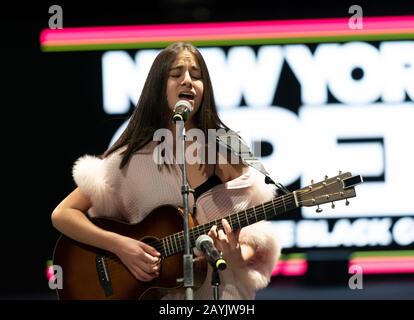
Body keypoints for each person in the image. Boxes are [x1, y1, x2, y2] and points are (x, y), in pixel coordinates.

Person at [51, 42, 281, 300]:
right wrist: (121, 246)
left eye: (196, 76)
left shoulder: (228, 153)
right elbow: (63, 214)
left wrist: (235, 254)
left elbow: (253, 235)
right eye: (176, 74)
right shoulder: (130, 160)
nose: (187, 81)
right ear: (159, 88)